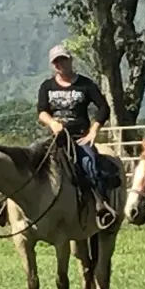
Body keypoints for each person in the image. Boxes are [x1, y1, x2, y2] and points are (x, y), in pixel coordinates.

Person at [36, 44, 116, 224]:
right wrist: (52, 123)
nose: (60, 64)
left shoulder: (85, 85)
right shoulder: (46, 86)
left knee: (90, 163)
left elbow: (103, 107)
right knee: (30, 159)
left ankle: (101, 203)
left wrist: (93, 130)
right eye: (56, 61)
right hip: (55, 138)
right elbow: (42, 111)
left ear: (70, 60)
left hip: (79, 138)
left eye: (63, 59)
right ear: (52, 64)